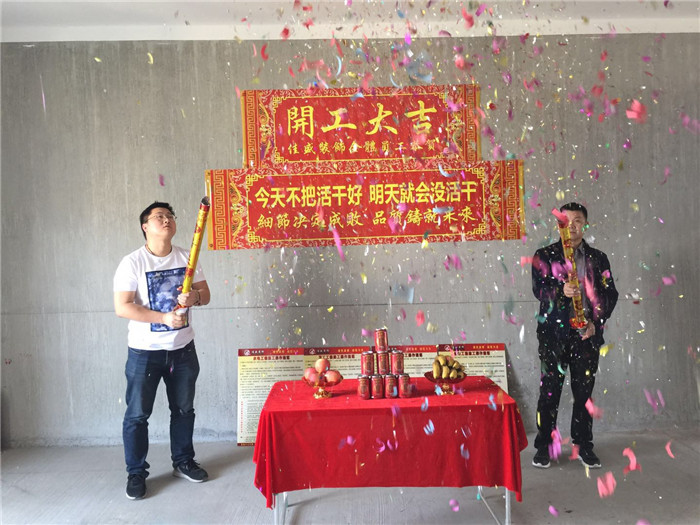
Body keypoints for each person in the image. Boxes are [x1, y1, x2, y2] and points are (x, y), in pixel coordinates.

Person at [114, 202, 211, 500]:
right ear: (145, 226)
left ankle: (183, 462)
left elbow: (205, 294)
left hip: (183, 349)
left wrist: (194, 297)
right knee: (137, 415)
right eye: (159, 217)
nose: (166, 220)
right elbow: (122, 307)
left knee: (183, 410)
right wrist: (163, 318)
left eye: (170, 216)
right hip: (145, 353)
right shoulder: (132, 262)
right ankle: (136, 472)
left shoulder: (187, 256)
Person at [531, 202, 618, 469]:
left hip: (586, 336)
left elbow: (610, 294)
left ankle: (583, 446)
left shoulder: (599, 258)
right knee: (549, 393)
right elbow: (539, 290)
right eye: (566, 221)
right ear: (559, 225)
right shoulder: (544, 255)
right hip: (554, 337)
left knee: (584, 394)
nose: (572, 226)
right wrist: (561, 291)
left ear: (585, 225)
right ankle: (544, 446)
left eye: (578, 221)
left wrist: (595, 323)